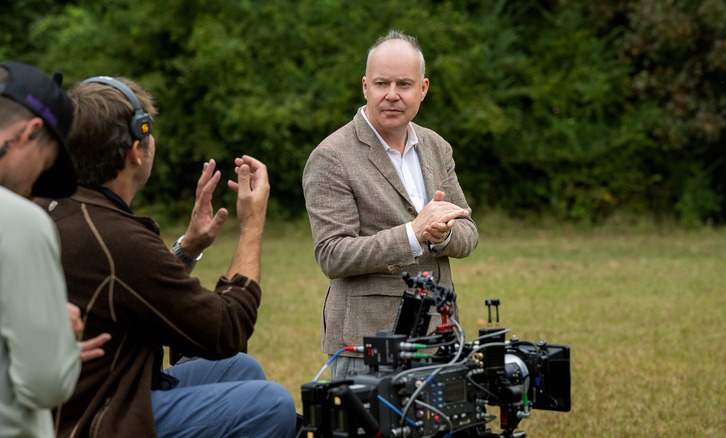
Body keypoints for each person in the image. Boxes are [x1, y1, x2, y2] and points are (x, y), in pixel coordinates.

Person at [37, 75, 296, 437]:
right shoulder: (117, 237)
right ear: (136, 150)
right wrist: (251, 226)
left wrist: (187, 248)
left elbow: (131, 292)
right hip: (98, 416)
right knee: (270, 405)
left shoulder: (63, 207)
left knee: (239, 369)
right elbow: (225, 328)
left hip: (92, 392)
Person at [302, 30, 479, 381]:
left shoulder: (436, 147)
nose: (392, 95)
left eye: (404, 84)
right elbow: (333, 255)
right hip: (367, 344)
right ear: (365, 86)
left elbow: (469, 231)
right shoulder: (331, 156)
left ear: (423, 89)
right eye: (382, 83)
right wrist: (412, 234)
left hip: (440, 335)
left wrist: (444, 235)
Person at [0, 61, 109, 437]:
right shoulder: (19, 221)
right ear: (30, 133)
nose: (35, 188)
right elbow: (45, 382)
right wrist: (57, 339)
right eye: (44, 166)